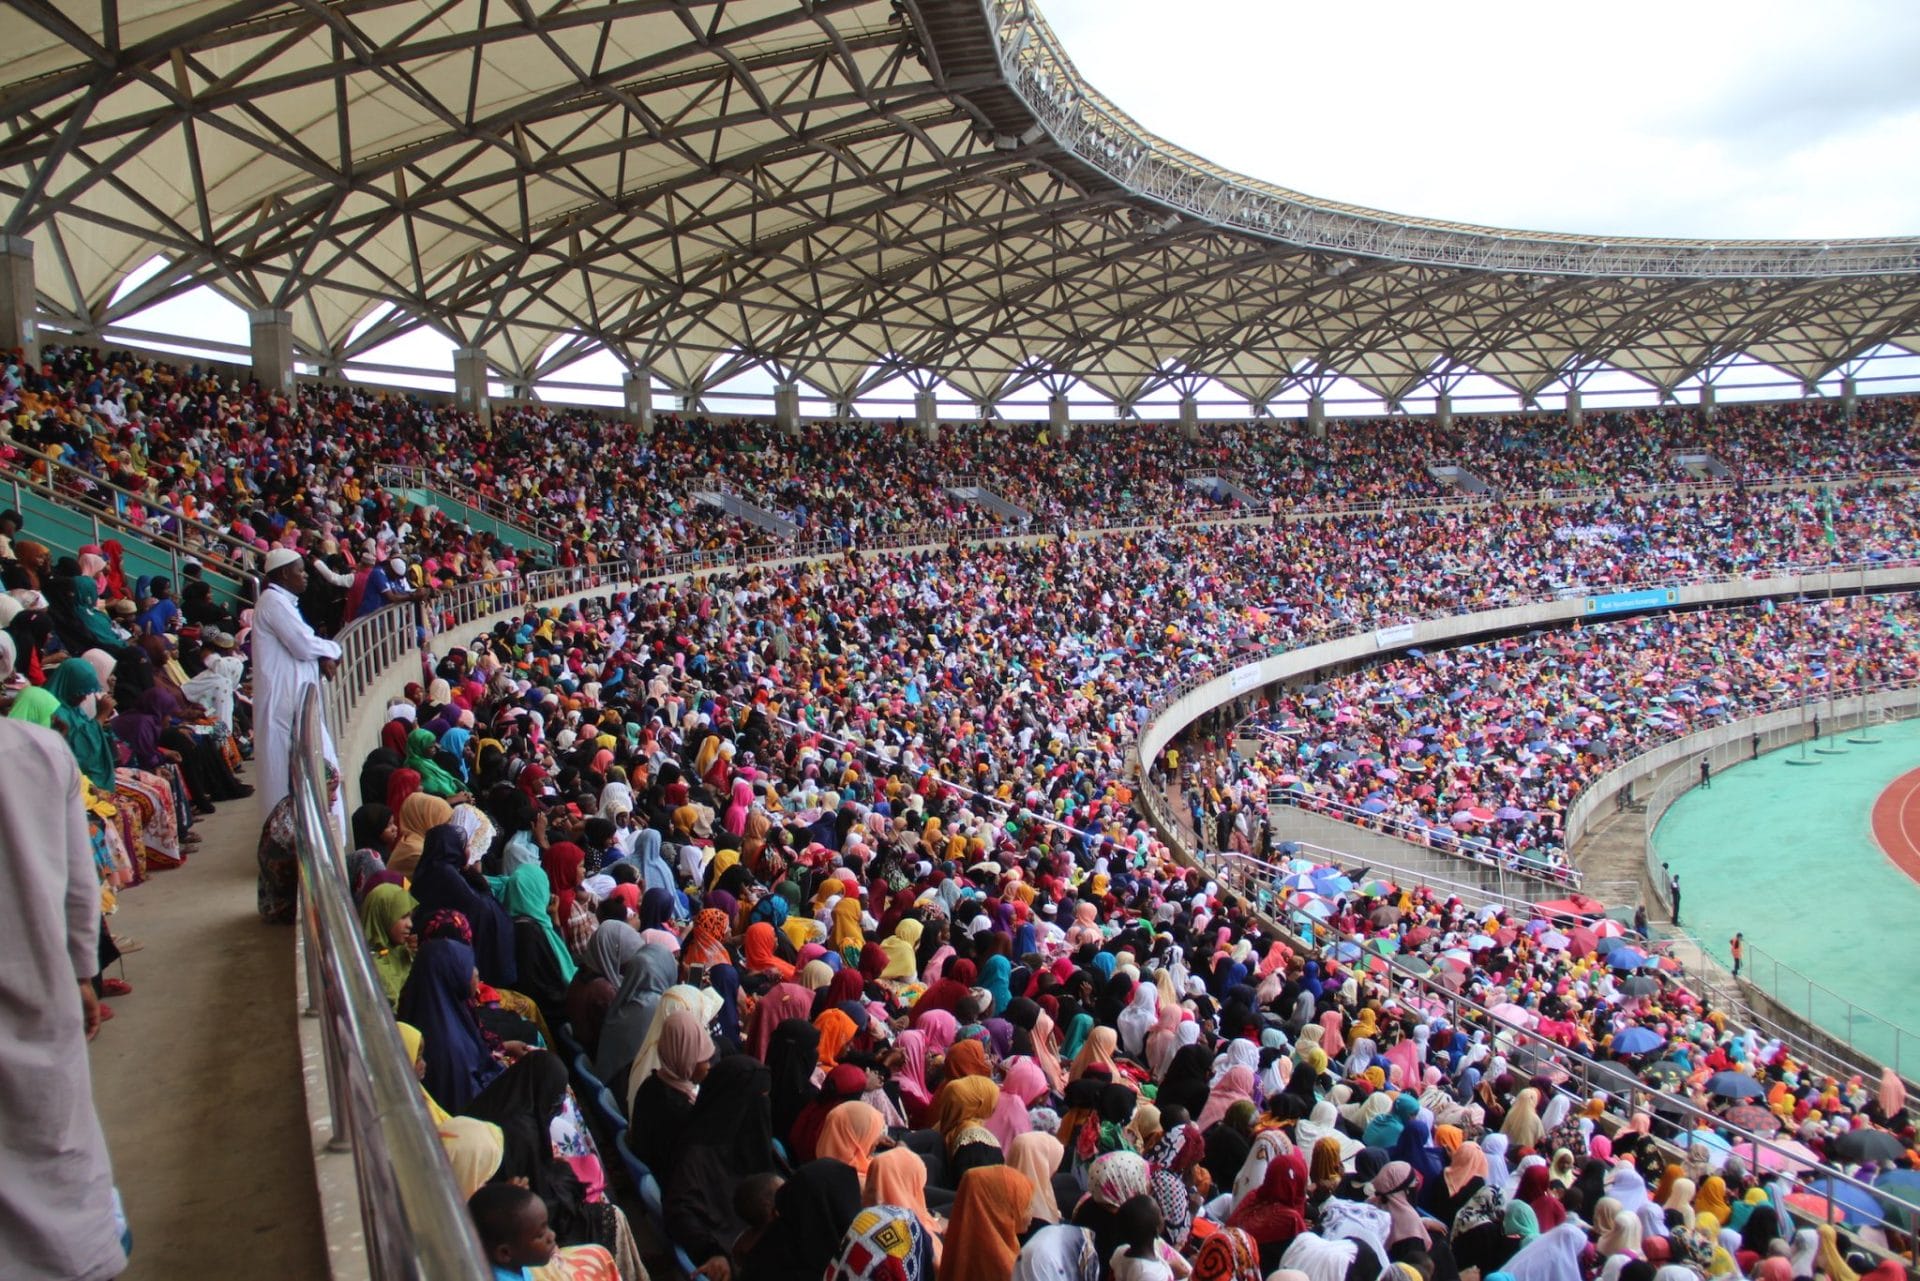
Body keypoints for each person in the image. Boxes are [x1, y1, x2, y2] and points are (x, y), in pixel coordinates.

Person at [0, 709, 128, 1280]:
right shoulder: (36, 752)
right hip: (35, 1002)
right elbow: (83, 889)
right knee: (49, 1160)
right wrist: (83, 974)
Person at [253, 548, 342, 827]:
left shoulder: (281, 602)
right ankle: (288, 833)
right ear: (282, 574)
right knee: (287, 772)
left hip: (295, 698)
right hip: (284, 700)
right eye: (300, 571)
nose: (305, 576)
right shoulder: (273, 602)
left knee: (320, 767)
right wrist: (332, 649)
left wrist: (323, 654)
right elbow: (303, 645)